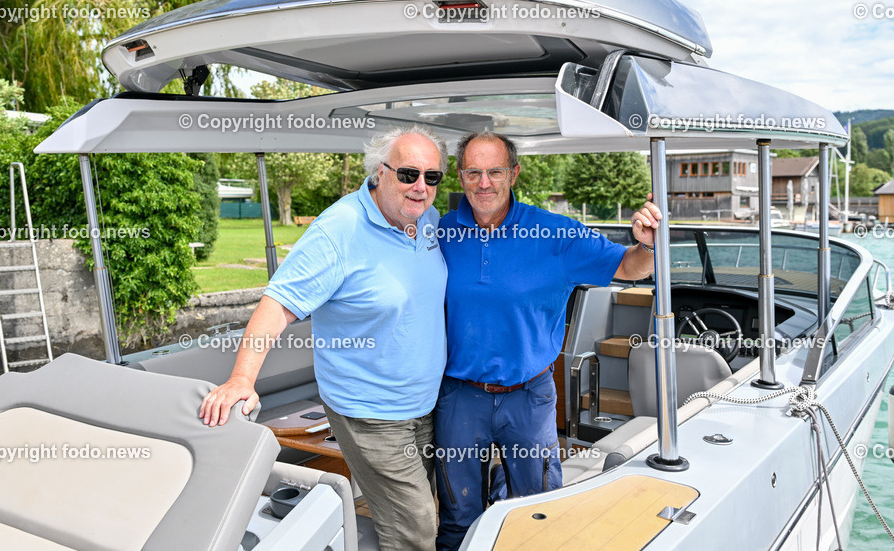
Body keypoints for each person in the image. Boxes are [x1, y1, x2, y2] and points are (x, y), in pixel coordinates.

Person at [200, 124, 449, 551]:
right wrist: (242, 379)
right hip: (370, 412)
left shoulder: (427, 221)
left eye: (432, 177)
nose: (421, 187)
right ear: (379, 173)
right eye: (408, 174)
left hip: (424, 404)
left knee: (420, 513)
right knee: (416, 529)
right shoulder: (339, 231)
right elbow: (276, 305)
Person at [433, 131, 660, 550]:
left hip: (530, 399)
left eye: (495, 171)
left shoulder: (555, 235)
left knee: (539, 511)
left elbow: (630, 268)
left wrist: (645, 245)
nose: (485, 183)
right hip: (459, 397)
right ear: (460, 178)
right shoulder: (438, 234)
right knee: (456, 518)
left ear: (514, 173)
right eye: (473, 172)